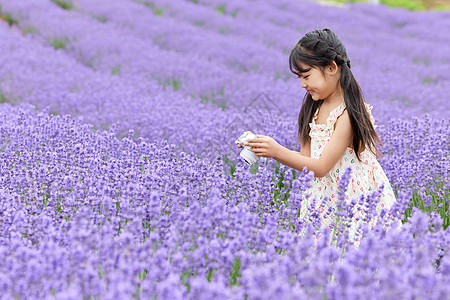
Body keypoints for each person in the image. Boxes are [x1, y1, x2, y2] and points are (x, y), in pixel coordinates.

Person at [236, 28, 396, 241]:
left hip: (353, 202)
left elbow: (321, 167)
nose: (302, 84)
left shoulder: (347, 114)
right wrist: (262, 147)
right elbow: (308, 163)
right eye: (299, 77)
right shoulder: (313, 108)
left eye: (306, 76)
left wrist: (276, 151)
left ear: (331, 68)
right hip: (322, 200)